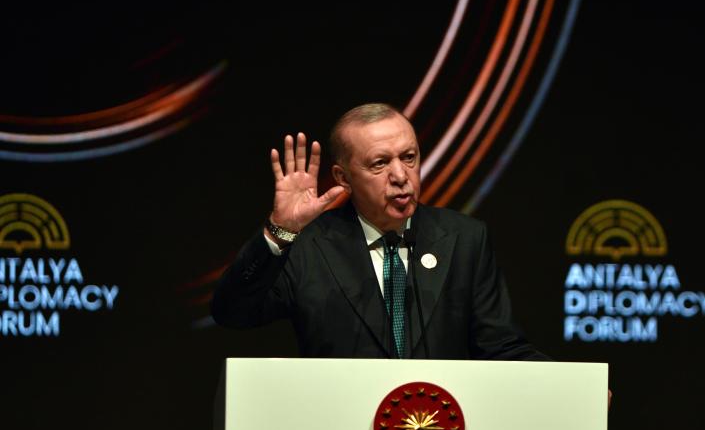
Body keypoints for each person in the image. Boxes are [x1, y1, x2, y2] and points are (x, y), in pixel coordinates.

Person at [211, 103, 548, 361]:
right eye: (380, 163)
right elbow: (233, 313)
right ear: (343, 178)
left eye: (409, 157)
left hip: (438, 426)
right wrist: (279, 232)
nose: (401, 176)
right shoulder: (309, 245)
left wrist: (567, 387)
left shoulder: (465, 239)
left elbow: (501, 345)